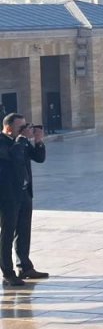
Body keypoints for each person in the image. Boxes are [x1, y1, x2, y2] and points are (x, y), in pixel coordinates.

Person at [0, 114, 47, 286]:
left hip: (25, 193)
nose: (24, 130)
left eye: (25, 126)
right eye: (20, 127)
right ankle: (8, 272)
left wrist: (38, 141)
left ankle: (25, 267)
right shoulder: (2, 141)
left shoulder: (22, 141)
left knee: (24, 231)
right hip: (7, 196)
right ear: (8, 127)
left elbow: (39, 158)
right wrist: (21, 139)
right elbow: (13, 158)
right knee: (7, 234)